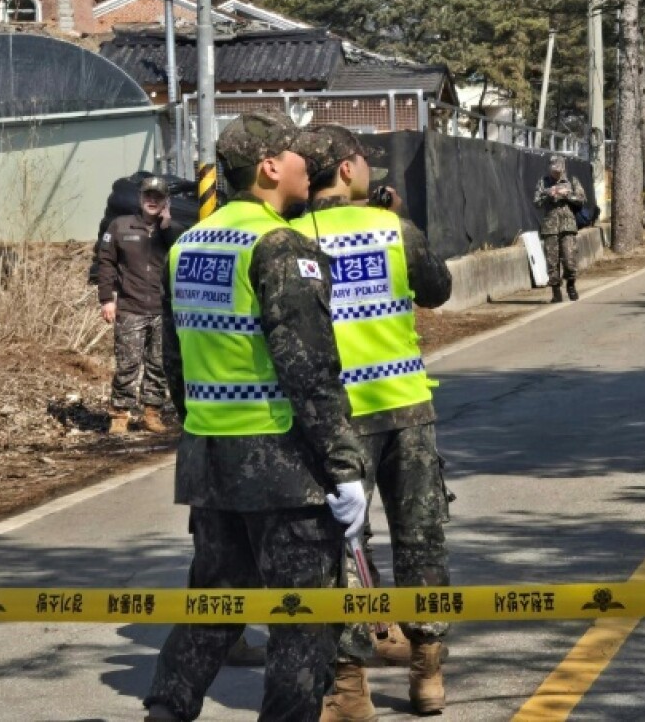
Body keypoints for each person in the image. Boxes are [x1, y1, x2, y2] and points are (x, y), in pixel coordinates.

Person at [143, 109, 369, 722]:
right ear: (270, 167)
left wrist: (203, 429)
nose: (309, 166)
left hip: (209, 457)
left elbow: (175, 359)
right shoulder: (280, 245)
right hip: (281, 466)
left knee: (215, 603)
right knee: (304, 620)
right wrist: (345, 467)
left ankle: (166, 709)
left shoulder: (188, 243)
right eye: (298, 156)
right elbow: (310, 371)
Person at [290, 124, 454, 720]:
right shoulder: (391, 229)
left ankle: (351, 687)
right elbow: (437, 290)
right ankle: (426, 674)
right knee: (422, 539)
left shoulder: (289, 238)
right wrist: (403, 224)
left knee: (343, 549)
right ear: (346, 170)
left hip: (336, 419)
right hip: (405, 407)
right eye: (363, 160)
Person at [95, 176, 177, 435]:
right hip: (130, 307)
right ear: (140, 198)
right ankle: (120, 414)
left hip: (162, 309)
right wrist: (107, 299)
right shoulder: (120, 226)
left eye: (158, 197)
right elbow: (105, 263)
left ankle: (152, 412)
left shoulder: (172, 231)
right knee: (128, 363)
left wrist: (168, 226)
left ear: (166, 201)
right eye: (148, 196)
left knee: (158, 364)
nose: (152, 201)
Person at [534, 155, 587, 303]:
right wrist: (548, 194)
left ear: (563, 168)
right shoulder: (543, 182)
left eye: (558, 171)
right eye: (554, 171)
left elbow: (581, 200)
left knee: (570, 260)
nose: (556, 174)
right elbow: (536, 202)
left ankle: (571, 283)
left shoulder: (572, 181)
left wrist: (567, 195)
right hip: (550, 227)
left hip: (568, 226)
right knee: (552, 261)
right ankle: (556, 291)